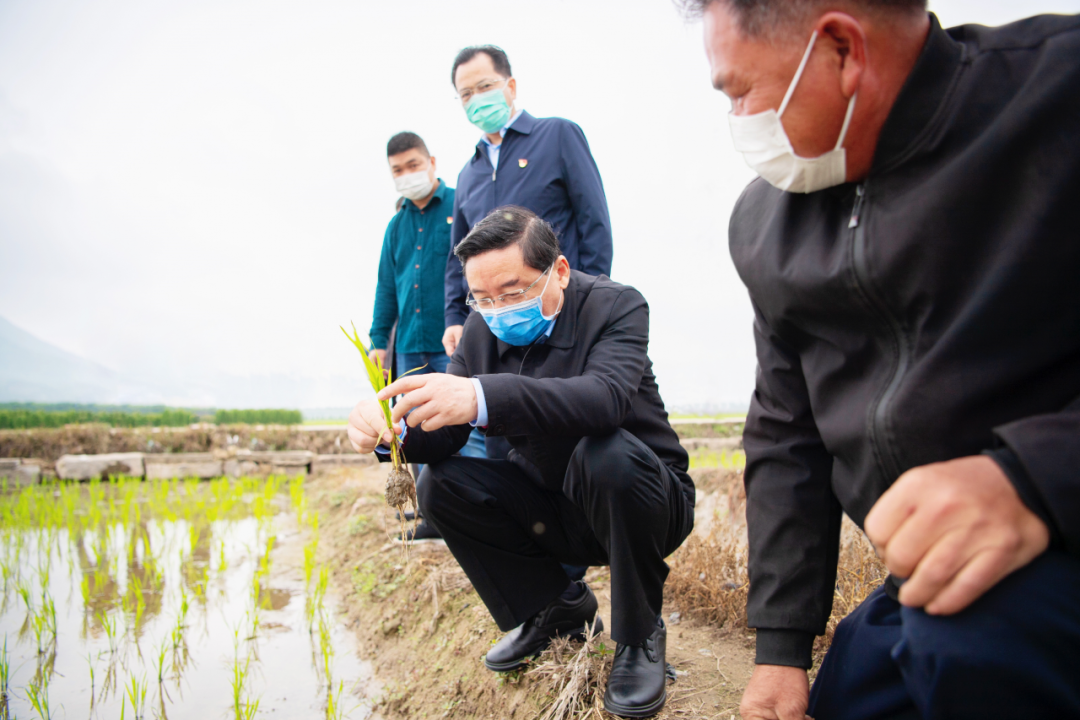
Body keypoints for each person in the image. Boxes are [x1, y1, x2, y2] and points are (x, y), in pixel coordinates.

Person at [686, 0, 1080, 718]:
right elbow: (786, 430)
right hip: (923, 585)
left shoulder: (1057, 95)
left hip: (1046, 555)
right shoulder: (766, 223)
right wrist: (780, 649)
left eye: (740, 90)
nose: (737, 119)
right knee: (854, 692)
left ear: (841, 49)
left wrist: (1033, 477)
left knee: (974, 636)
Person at [348, 206, 694, 718]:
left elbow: (605, 399)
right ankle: (557, 606)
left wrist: (480, 396)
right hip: (552, 507)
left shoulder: (616, 306)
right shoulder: (481, 331)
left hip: (642, 501)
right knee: (442, 484)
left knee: (607, 453)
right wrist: (392, 434)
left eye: (512, 293)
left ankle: (640, 636)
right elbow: (445, 439)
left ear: (559, 270)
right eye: (482, 299)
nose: (498, 309)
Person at [441, 45, 614, 361]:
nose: (476, 98)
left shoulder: (558, 135)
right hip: (499, 326)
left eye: (485, 86)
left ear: (511, 86)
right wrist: (454, 317)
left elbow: (594, 223)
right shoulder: (468, 174)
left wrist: (592, 299)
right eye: (466, 94)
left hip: (560, 312)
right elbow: (459, 256)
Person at [368, 131, 482, 542]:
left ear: (432, 162)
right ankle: (432, 515)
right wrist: (378, 341)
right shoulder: (396, 226)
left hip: (454, 342)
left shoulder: (459, 206)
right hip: (410, 345)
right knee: (414, 429)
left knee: (463, 426)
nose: (407, 174)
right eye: (397, 170)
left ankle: (474, 510)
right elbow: (386, 288)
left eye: (413, 165)